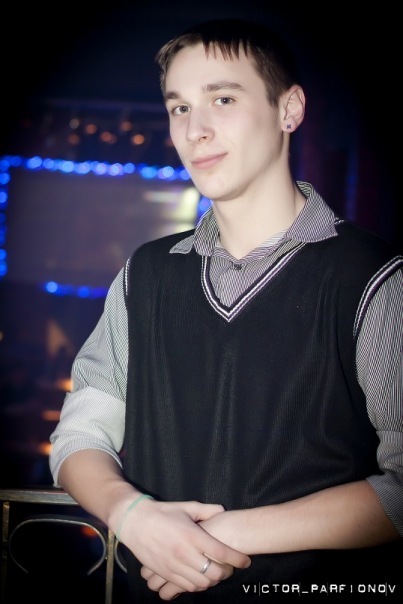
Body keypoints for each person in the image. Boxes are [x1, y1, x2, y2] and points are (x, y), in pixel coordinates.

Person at [49, 18, 403, 602]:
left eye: (223, 99)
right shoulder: (146, 274)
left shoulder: (373, 277)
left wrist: (214, 538)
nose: (196, 130)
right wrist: (131, 513)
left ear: (289, 109)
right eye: (180, 108)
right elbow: (81, 431)